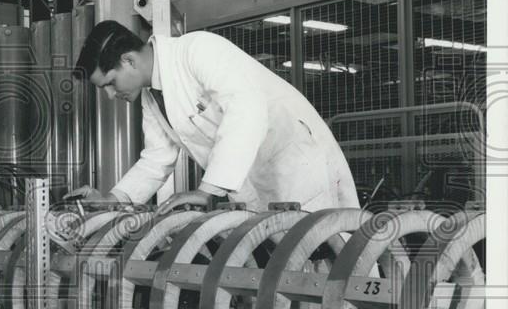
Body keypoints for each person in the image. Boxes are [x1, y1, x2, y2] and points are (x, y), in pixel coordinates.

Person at [67, 20, 359, 213]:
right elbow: (157, 158)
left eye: (109, 83)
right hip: (258, 184)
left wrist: (207, 191)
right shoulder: (152, 96)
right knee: (288, 274)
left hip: (296, 166)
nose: (110, 95)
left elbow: (246, 107)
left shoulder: (198, 49)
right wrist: (114, 199)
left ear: (129, 60)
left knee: (332, 264)